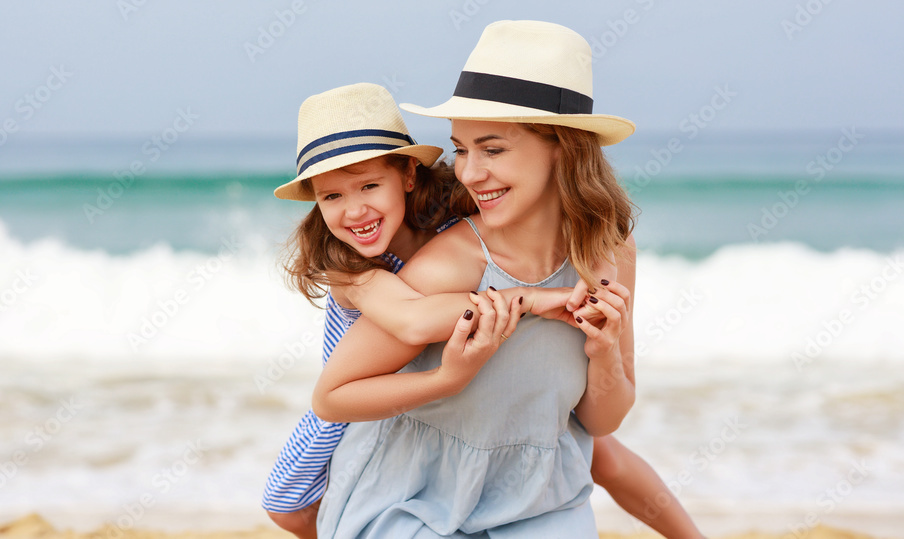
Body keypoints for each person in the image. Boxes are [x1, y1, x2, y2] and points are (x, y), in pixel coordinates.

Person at [313, 21, 703, 537]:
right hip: (415, 502)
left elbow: (603, 423)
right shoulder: (447, 266)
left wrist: (603, 351)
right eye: (461, 150)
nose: (470, 174)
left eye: (492, 150)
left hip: (539, 500)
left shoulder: (610, 251)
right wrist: (447, 378)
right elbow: (332, 394)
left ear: (563, 147)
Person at [262, 82, 603, 539]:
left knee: (605, 452)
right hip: (360, 402)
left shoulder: (447, 223)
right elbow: (415, 319)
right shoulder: (346, 266)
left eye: (368, 185)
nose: (354, 210)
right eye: (332, 196)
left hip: (462, 413)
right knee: (285, 506)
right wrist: (527, 299)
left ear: (407, 177)